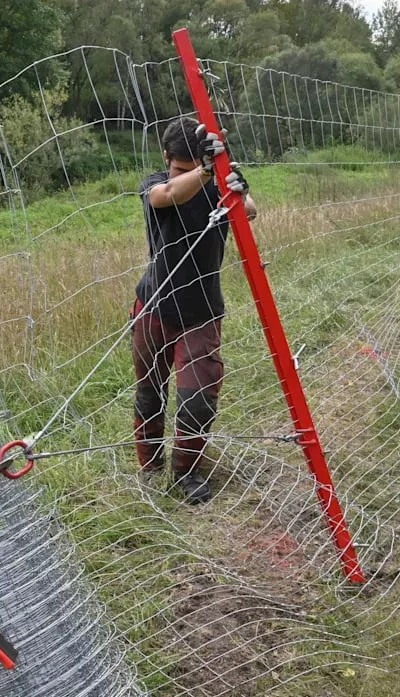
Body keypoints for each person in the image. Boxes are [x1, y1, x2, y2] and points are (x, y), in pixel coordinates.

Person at [132, 117, 258, 504]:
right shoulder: (156, 182)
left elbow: (249, 209)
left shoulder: (217, 181)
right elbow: (165, 195)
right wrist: (205, 170)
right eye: (179, 167)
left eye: (193, 167)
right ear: (166, 157)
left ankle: (186, 472)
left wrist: (235, 184)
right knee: (150, 393)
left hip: (202, 313)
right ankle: (149, 466)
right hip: (152, 308)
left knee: (197, 400)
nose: (184, 174)